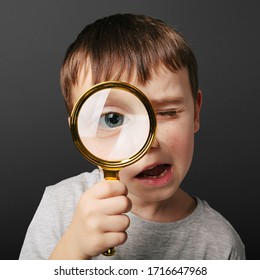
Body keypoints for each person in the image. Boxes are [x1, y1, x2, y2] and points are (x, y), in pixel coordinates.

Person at [19, 13, 245, 260]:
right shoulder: (59, 207)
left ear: (195, 114)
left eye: (168, 112)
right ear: (80, 133)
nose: (150, 142)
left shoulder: (221, 244)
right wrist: (72, 250)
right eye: (112, 119)